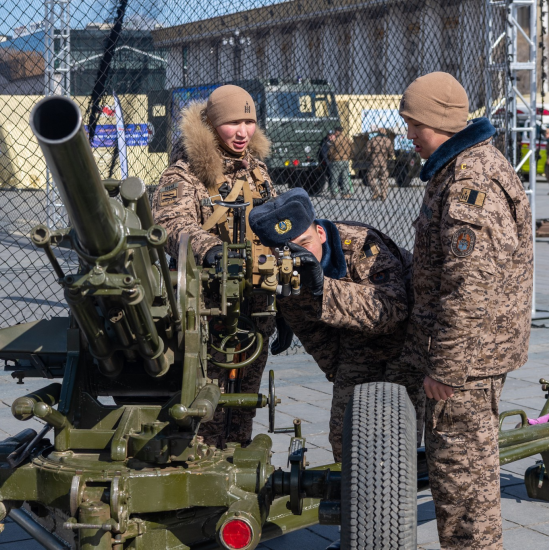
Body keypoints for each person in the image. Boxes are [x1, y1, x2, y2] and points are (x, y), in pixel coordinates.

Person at [399, 72, 533, 550]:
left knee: (464, 490)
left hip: (465, 366)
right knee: (464, 481)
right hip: (472, 358)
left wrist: (446, 369)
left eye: (413, 123)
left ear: (436, 121)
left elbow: (469, 286)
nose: (409, 134)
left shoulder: (470, 180)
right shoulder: (464, 167)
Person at [248, 188, 423, 463]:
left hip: (408, 336)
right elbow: (314, 336)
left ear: (321, 233)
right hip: (357, 342)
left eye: (305, 243)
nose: (299, 255)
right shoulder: (284, 272)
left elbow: (392, 309)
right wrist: (339, 374)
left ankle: (396, 498)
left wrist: (323, 288)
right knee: (345, 434)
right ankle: (351, 496)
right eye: (287, 250)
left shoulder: (361, 244)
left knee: (399, 436)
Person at [152, 85, 276, 448]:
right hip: (206, 311)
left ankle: (236, 470)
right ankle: (200, 473)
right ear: (211, 123)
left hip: (255, 307)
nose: (242, 132)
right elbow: (173, 225)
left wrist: (279, 308)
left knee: (244, 404)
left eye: (249, 122)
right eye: (233, 123)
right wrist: (212, 251)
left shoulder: (258, 171)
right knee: (205, 405)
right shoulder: (185, 174)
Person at [365, 126, 394, 200]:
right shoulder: (388, 140)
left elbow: (367, 151)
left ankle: (376, 192)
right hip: (384, 162)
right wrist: (388, 157)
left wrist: (370, 156)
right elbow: (391, 153)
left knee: (371, 177)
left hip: (374, 162)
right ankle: (383, 195)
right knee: (384, 179)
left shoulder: (373, 140)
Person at [327, 126, 353, 198]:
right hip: (345, 161)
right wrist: (349, 157)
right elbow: (352, 149)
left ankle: (334, 193)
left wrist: (330, 158)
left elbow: (330, 152)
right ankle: (346, 193)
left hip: (336, 161)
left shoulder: (335, 141)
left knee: (334, 177)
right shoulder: (348, 140)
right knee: (345, 177)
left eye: (335, 131)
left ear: (337, 132)